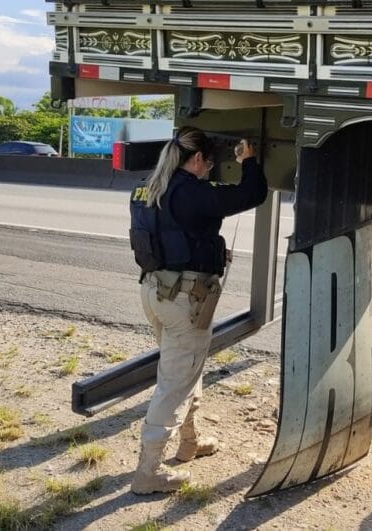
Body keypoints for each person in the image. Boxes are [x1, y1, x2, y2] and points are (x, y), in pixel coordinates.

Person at [128, 126, 268, 494]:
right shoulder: (191, 192)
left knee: (186, 370)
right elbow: (253, 193)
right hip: (183, 301)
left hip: (155, 291)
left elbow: (174, 233)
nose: (209, 170)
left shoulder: (148, 186)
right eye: (208, 163)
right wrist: (248, 160)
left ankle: (189, 441)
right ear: (196, 160)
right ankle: (148, 472)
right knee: (176, 381)